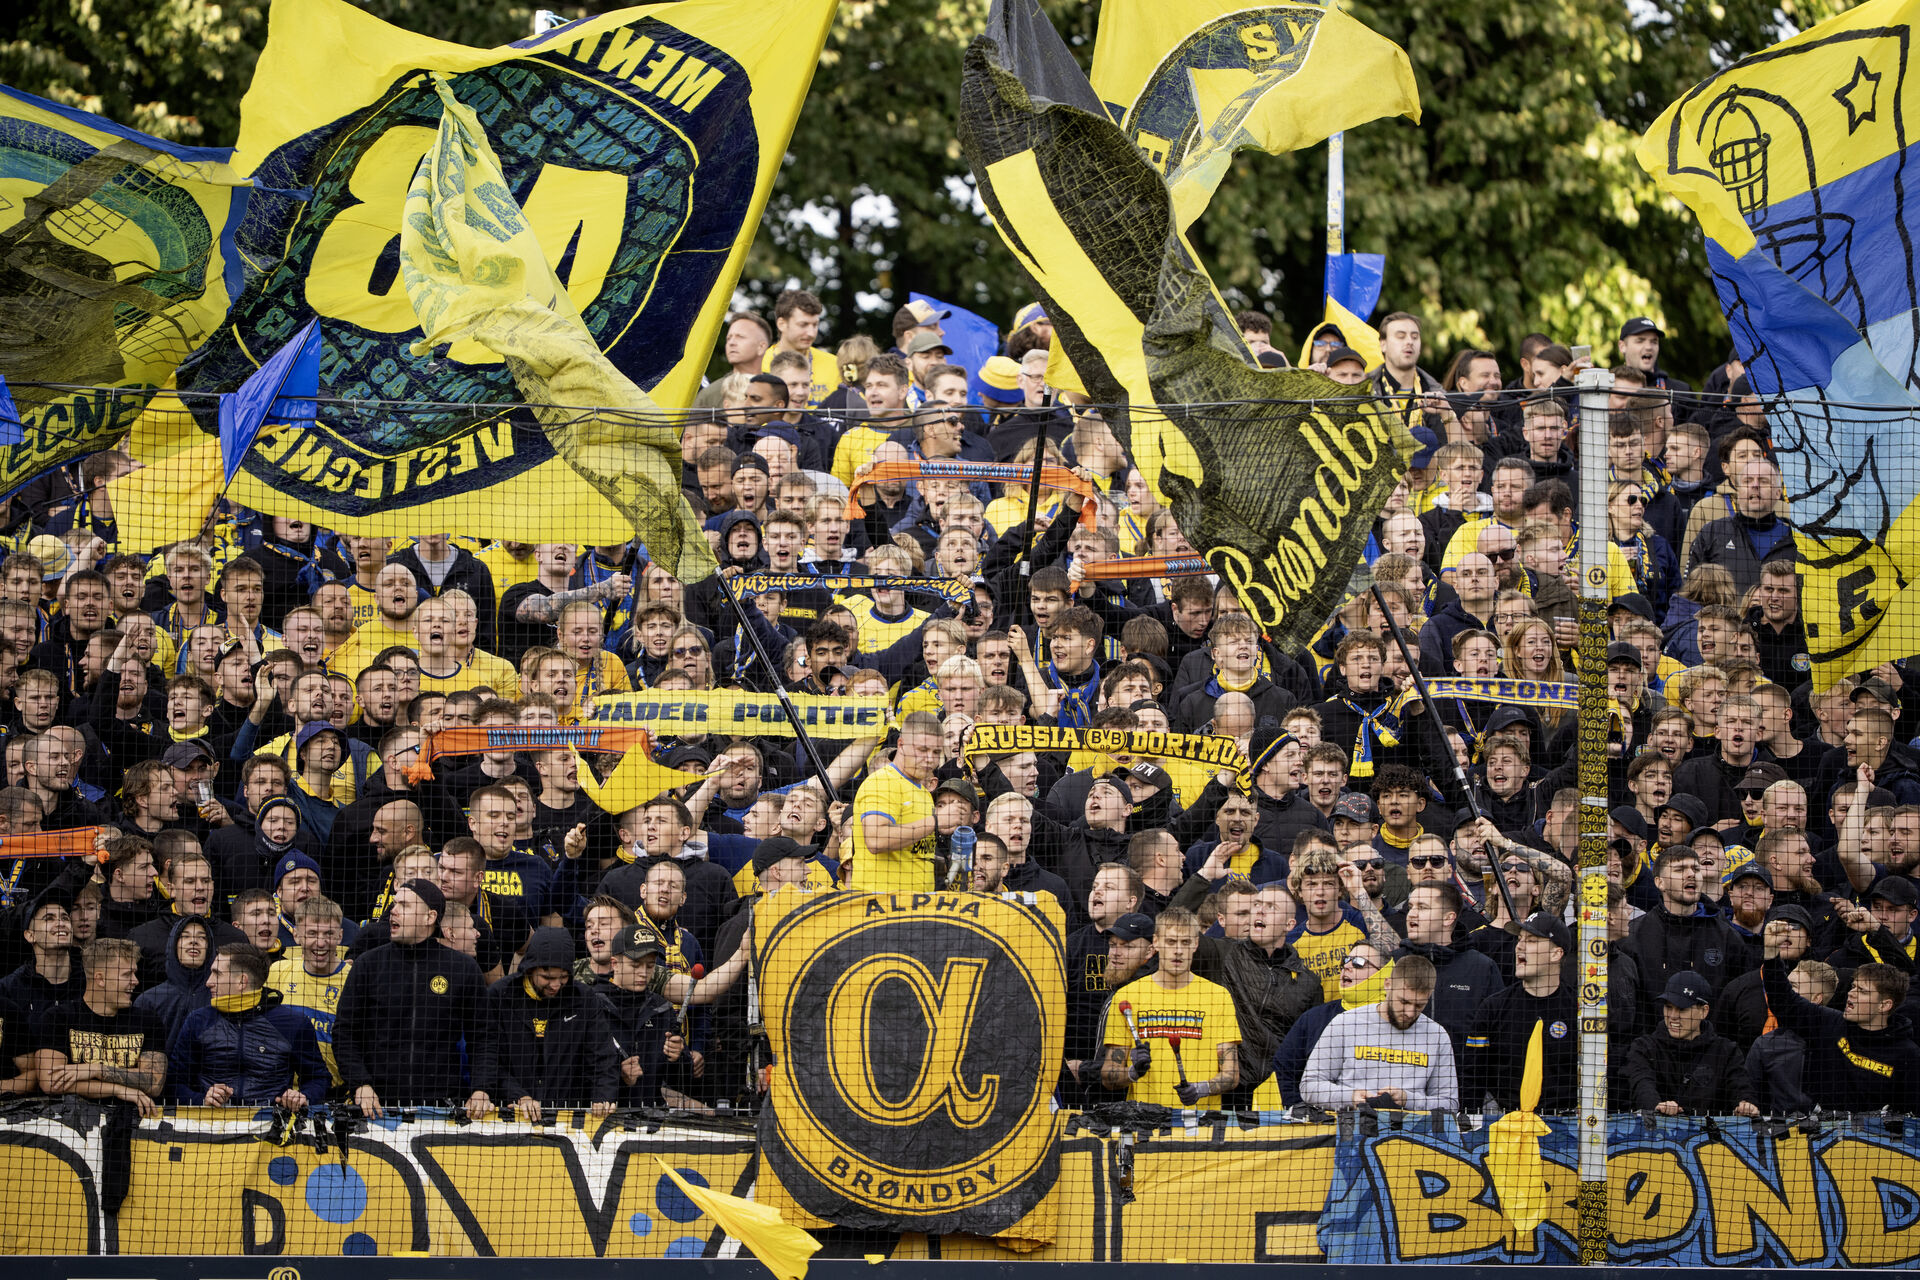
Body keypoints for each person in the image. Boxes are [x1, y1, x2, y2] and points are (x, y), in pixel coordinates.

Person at [330, 880, 485, 1116]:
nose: (393, 910)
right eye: (394, 904)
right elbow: (344, 1032)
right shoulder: (368, 965)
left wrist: (481, 1088)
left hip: (442, 1109)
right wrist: (360, 1083)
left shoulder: (463, 969)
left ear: (429, 917)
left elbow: (483, 1036)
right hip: (377, 1108)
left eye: (404, 905)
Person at [1761, 918, 1920, 1113]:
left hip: (1876, 1133)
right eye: (1853, 987)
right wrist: (1771, 953)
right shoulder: (1830, 1022)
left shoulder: (1907, 1054)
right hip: (1821, 1128)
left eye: (1862, 991)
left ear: (1884, 1005)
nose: (1851, 993)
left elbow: (1912, 1114)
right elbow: (1783, 1001)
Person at [1098, 908, 1241, 1109]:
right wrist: (1133, 1072)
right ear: (1156, 942)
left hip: (1199, 1122)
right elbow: (1108, 1075)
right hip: (1145, 1120)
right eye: (1171, 942)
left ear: (1196, 944)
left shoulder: (1218, 997)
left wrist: (1201, 1089)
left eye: (1185, 942)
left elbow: (1231, 1074)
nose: (1178, 950)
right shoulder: (1127, 997)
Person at [471, 927, 618, 1120]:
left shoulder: (584, 999)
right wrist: (518, 1095)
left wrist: (603, 1096)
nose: (555, 985)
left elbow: (603, 1057)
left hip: (568, 1117)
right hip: (510, 1115)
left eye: (563, 977)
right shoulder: (500, 995)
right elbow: (487, 1055)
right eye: (547, 978)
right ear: (530, 969)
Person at [168, 944, 329, 1108]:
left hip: (270, 1120)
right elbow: (173, 1081)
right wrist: (202, 1100)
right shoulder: (198, 1021)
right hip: (211, 1121)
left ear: (241, 981)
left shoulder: (293, 1023)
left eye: (217, 974)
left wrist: (303, 1097)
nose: (208, 982)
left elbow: (318, 1078)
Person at [1299, 953, 1458, 1111]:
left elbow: (1449, 1103)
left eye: (1419, 1005)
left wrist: (1407, 1100)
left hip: (1409, 1126)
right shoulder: (1345, 1023)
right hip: (1351, 1122)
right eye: (1404, 1001)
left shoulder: (1437, 1035)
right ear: (1388, 984)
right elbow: (1309, 1086)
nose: (1410, 1013)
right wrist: (1350, 1097)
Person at [30, 938, 168, 1116]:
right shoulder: (58, 1018)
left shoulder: (147, 1020)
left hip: (131, 1120)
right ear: (100, 979)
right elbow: (51, 1082)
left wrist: (96, 1069)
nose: (135, 981)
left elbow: (154, 1083)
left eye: (134, 973)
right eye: (127, 974)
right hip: (70, 1121)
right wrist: (117, 1090)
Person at [1460, 914, 1577, 1112]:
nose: (1519, 947)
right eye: (1520, 939)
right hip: (1505, 1122)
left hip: (1563, 1124)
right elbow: (1473, 1077)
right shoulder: (1493, 1008)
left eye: (1531, 941)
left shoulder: (1579, 1010)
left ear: (1556, 954)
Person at [1622, 971, 1759, 1116]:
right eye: (1668, 1007)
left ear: (1704, 1011)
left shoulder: (1726, 1052)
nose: (1673, 1016)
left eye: (1682, 1009)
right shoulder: (1644, 1048)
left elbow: (1740, 1088)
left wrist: (1745, 1105)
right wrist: (1655, 1106)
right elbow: (1641, 1084)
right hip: (1655, 1129)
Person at [594, 925, 686, 1110]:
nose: (643, 972)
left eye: (650, 966)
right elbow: (573, 1072)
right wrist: (618, 1076)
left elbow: (684, 1081)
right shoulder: (592, 1006)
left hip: (651, 1118)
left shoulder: (662, 1008)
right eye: (635, 965)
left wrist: (678, 1058)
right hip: (602, 1116)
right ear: (614, 964)